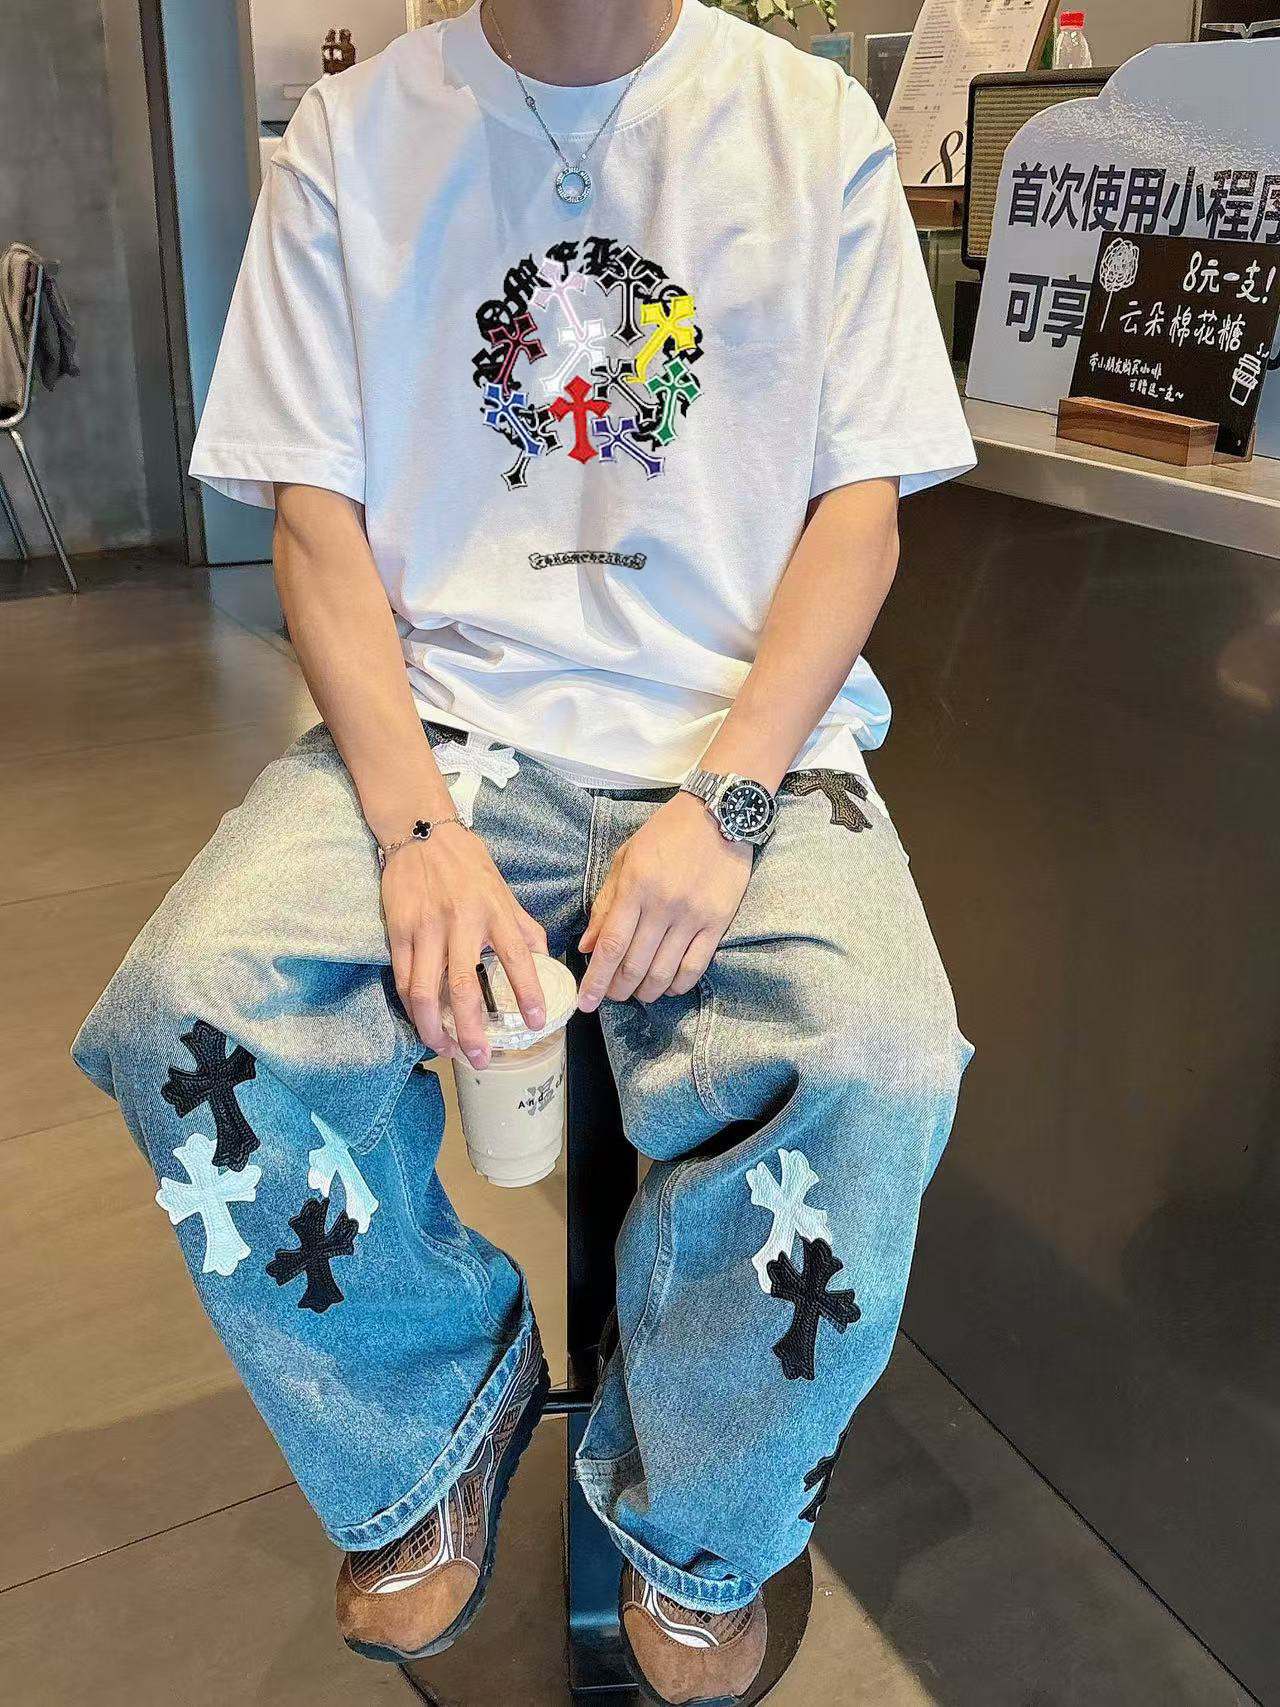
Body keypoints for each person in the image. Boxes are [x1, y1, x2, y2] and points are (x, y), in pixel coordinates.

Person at [72, 2, 976, 1701]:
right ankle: (439, 1417)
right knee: (192, 1011)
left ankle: (696, 1522)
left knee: (876, 1059)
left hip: (745, 741)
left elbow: (860, 511)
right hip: (447, 730)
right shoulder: (352, 139)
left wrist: (729, 803)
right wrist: (415, 823)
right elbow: (314, 517)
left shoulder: (808, 126)